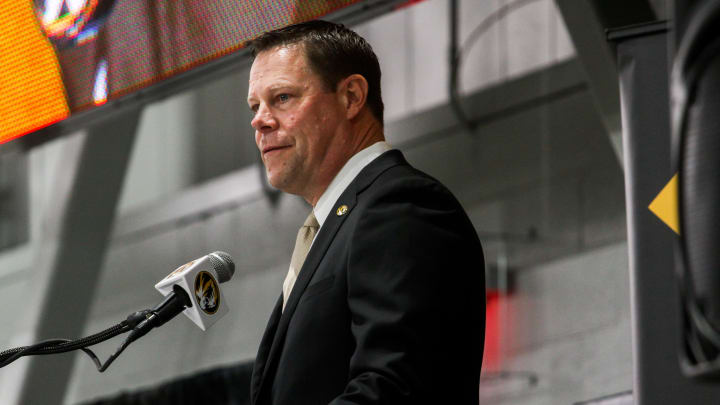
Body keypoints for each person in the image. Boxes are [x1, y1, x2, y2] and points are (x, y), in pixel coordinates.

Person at [246, 20, 485, 405]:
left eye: (283, 97)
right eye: (255, 106)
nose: (260, 120)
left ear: (352, 97)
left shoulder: (400, 206)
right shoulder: (337, 224)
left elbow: (398, 386)